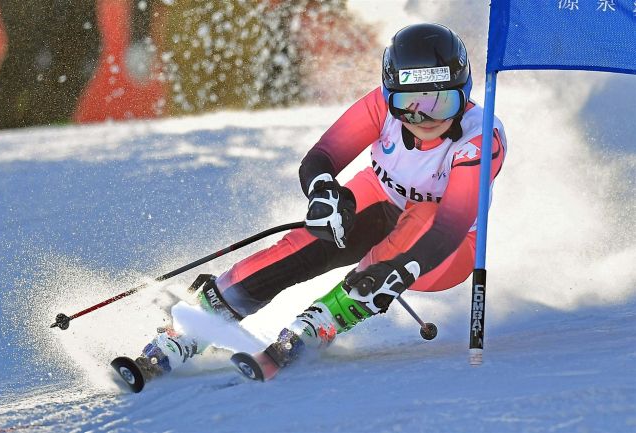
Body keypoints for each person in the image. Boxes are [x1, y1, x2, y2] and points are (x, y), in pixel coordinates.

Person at [136, 22, 507, 378]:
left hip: (448, 250)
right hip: (381, 197)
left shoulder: (480, 139)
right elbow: (321, 158)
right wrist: (324, 192)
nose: (423, 117)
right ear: (390, 96)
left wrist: (405, 267)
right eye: (408, 103)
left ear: (465, 92)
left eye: (441, 103)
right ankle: (199, 322)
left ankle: (327, 317)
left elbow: (449, 226)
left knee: (422, 217)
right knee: (307, 241)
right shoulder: (379, 106)